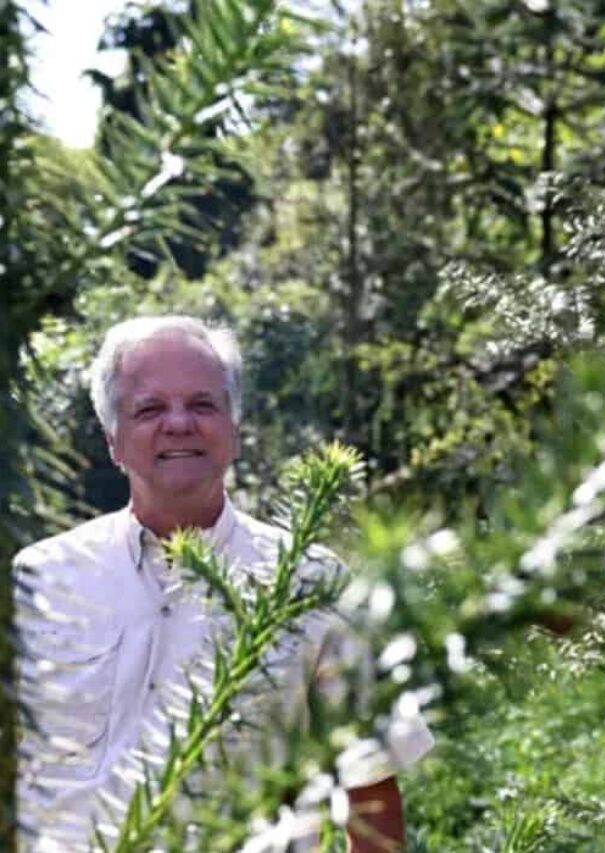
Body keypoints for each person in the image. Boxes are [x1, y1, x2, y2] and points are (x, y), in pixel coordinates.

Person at [14, 316, 433, 852]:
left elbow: (371, 799)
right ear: (112, 440)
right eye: (149, 409)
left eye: (203, 405)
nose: (179, 423)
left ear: (235, 430)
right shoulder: (40, 580)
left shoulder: (313, 583)